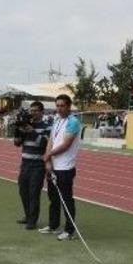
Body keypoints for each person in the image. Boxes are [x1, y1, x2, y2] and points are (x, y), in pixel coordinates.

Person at [40, 94, 82, 241]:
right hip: (53, 166)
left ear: (69, 106)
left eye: (62, 105)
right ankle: (53, 225)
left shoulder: (73, 122)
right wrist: (48, 160)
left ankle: (69, 231)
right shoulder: (57, 121)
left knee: (66, 199)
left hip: (65, 168)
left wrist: (48, 155)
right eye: (57, 106)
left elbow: (66, 145)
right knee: (53, 198)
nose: (59, 108)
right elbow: (51, 141)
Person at [14, 102, 51, 230]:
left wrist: (32, 132)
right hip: (24, 163)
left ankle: (32, 220)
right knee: (23, 191)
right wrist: (19, 132)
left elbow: (45, 144)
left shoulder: (47, 127)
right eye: (32, 110)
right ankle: (27, 215)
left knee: (34, 193)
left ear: (42, 112)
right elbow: (17, 143)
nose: (33, 113)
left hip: (38, 165)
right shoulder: (26, 124)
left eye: (36, 110)